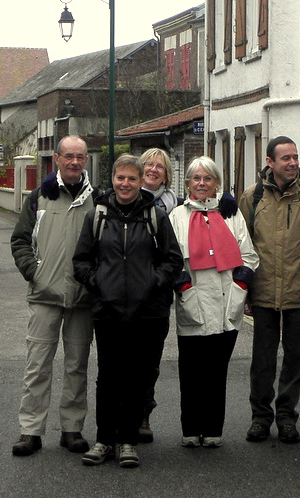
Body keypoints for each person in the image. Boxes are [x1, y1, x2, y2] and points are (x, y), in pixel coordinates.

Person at [73, 154, 183, 468]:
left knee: (136, 377)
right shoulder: (97, 215)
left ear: (140, 182)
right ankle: (104, 440)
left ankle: (128, 441)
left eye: (131, 179)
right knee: (108, 377)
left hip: (146, 312)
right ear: (113, 180)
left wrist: (151, 283)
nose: (125, 184)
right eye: (120, 178)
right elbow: (81, 261)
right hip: (108, 310)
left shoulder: (155, 216)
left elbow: (172, 260)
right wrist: (99, 285)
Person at [238, 136, 300, 444]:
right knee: (262, 361)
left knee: (296, 358)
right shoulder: (252, 197)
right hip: (263, 292)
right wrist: (246, 293)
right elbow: (243, 248)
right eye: (285, 159)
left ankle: (286, 417)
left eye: (295, 157)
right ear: (270, 163)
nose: (292, 163)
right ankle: (260, 417)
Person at [10, 135, 99, 457]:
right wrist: (35, 272)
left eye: (80, 157)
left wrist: (94, 281)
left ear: (86, 161)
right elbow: (20, 240)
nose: (75, 162)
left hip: (81, 299)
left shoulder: (97, 200)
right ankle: (30, 431)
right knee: (37, 366)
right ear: (57, 160)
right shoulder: (39, 197)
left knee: (77, 366)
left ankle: (72, 429)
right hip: (45, 295)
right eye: (69, 156)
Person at [169, 156, 258, 449]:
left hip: (225, 303)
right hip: (192, 302)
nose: (202, 184)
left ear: (217, 183)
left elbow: (249, 255)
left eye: (208, 178)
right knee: (192, 370)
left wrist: (240, 286)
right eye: (196, 179)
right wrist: (183, 286)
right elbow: (169, 259)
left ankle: (212, 428)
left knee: (217, 370)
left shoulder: (231, 214)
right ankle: (191, 428)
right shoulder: (177, 217)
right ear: (188, 184)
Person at [136, 147, 180, 442]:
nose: (153, 170)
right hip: (123, 294)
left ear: (167, 174)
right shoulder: (121, 197)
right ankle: (119, 416)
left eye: (159, 167)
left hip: (157, 295)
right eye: (149, 165)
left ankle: (142, 415)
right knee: (122, 358)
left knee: (149, 360)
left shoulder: (176, 205)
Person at [141, 148, 181, 212]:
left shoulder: (178, 205)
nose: (154, 169)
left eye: (160, 166)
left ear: (165, 177)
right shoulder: (129, 199)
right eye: (149, 164)